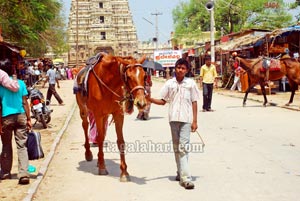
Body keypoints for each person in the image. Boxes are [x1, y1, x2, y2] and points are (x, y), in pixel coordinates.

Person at [147, 58, 200, 190]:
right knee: (177, 148)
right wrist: (150, 99)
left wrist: (195, 121)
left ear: (187, 70)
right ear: (174, 68)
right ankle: (180, 172)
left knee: (183, 148)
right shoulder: (169, 84)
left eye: (183, 68)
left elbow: (194, 102)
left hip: (186, 120)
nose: (180, 70)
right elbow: (163, 101)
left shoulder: (191, 84)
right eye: (178, 67)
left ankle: (186, 178)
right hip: (173, 120)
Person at [0, 64, 32, 185]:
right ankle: (23, 174)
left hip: (5, 118)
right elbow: (25, 102)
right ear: (13, 71)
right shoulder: (20, 84)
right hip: (21, 116)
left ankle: (5, 172)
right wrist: (29, 118)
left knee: (6, 145)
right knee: (22, 146)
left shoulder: (0, 86)